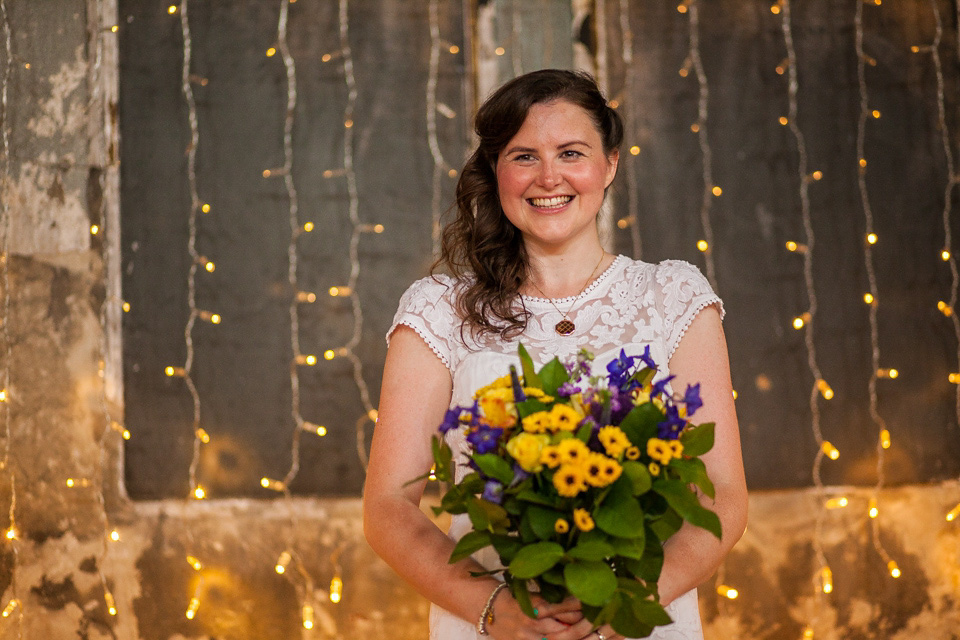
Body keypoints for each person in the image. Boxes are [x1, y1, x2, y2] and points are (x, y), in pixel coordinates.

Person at [364, 69, 747, 640]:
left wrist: (622, 605)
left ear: (611, 163)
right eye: (523, 156)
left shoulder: (674, 297)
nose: (549, 177)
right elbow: (389, 508)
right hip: (493, 623)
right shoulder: (439, 308)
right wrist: (496, 608)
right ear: (496, 171)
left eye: (571, 152)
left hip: (637, 619)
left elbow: (722, 497)